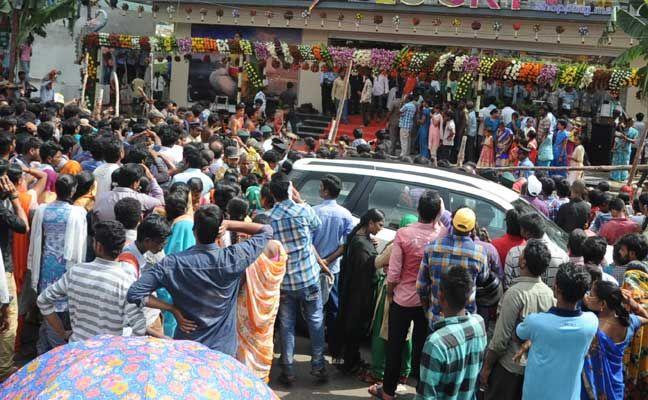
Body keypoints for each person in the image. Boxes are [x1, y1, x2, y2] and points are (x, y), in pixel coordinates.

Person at [127, 205, 272, 354]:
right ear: (219, 233)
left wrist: (172, 309)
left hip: (187, 347)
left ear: (194, 231)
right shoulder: (233, 258)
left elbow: (134, 294)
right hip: (222, 348)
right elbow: (266, 230)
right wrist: (228, 224)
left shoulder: (172, 263)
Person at [368, 190, 448, 399]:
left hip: (402, 299)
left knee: (394, 347)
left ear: (418, 210)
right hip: (427, 301)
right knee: (423, 349)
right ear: (438, 212)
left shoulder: (404, 234)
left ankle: (387, 392)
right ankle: (421, 392)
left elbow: (393, 273)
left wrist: (391, 293)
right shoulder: (442, 234)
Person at [37, 221, 146, 342]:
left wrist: (62, 332)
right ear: (123, 246)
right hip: (109, 357)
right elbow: (139, 326)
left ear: (98, 246)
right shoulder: (126, 281)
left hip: (77, 351)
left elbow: (43, 300)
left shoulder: (75, 272)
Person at [267, 173, 329, 384]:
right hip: (309, 278)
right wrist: (299, 199)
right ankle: (318, 366)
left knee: (287, 325)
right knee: (316, 321)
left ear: (272, 195)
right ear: (289, 190)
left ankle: (288, 370)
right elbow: (317, 225)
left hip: (284, 282)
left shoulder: (270, 217)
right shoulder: (303, 210)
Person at [480, 239, 555, 400]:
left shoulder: (515, 294)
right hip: (533, 369)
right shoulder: (549, 294)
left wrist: (486, 367)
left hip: (509, 369)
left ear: (523, 262)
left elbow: (500, 340)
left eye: (521, 255)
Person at [516, 262, 597, 400]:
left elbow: (520, 332)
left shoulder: (535, 322)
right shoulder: (591, 322)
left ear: (556, 287)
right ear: (584, 294)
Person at [27, 175, 87, 354]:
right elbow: (81, 246)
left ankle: (42, 349)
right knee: (58, 313)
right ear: (73, 190)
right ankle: (54, 352)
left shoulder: (43, 210)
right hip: (65, 267)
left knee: (47, 307)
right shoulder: (77, 212)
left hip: (45, 265)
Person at [416, 266, 487, 400]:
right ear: (468, 298)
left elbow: (425, 396)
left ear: (441, 296)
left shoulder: (436, 343)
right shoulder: (479, 324)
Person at [236, 213, 287, 383]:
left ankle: (247, 380)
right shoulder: (279, 248)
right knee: (264, 338)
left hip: (248, 304)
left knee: (246, 342)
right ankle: (261, 378)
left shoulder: (251, 250)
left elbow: (242, 276)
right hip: (270, 302)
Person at [417, 207, 489, 326]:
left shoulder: (432, 248)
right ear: (472, 228)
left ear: (452, 223)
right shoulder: (480, 253)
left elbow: (421, 287)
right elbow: (483, 279)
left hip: (437, 319)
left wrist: (427, 311)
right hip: (466, 321)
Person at [334, 209, 385, 374]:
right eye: (379, 225)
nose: (381, 229)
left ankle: (352, 360)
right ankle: (350, 363)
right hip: (359, 294)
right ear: (370, 223)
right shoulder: (361, 245)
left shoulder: (361, 239)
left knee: (353, 328)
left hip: (354, 293)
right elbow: (366, 271)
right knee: (355, 329)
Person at [582, 280, 648, 400]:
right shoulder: (629, 323)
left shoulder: (591, 326)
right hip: (616, 388)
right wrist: (631, 302)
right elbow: (645, 317)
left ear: (602, 304)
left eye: (590, 294)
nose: (587, 296)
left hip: (592, 391)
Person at [311, 174, 353, 358]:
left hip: (313, 268)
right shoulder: (345, 215)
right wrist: (328, 261)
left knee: (313, 308)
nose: (319, 189)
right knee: (333, 309)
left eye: (320, 186)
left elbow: (308, 242)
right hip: (332, 269)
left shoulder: (314, 212)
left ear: (326, 191)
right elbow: (346, 244)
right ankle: (331, 345)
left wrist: (321, 260)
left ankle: (315, 345)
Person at [118, 214, 171, 338]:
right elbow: (131, 302)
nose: (162, 247)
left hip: (151, 317)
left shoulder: (143, 254)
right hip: (144, 325)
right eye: (161, 243)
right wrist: (155, 333)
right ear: (147, 241)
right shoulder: (128, 264)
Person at [0, 172, 29, 381]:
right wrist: (14, 197)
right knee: (8, 320)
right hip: (3, 269)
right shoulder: (3, 208)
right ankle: (4, 370)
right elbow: (23, 226)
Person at [504, 212, 569, 289]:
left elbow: (507, 284)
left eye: (521, 229)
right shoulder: (562, 255)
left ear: (527, 233)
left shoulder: (514, 253)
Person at [93, 163, 164, 221]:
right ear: (135, 183)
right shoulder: (141, 198)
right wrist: (151, 178)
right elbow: (161, 203)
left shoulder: (101, 197)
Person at [610, 116, 638, 182]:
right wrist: (619, 136)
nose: (632, 123)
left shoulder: (635, 131)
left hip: (626, 149)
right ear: (627, 122)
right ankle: (614, 176)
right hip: (618, 148)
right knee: (616, 162)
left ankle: (623, 177)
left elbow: (634, 141)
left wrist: (626, 138)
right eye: (630, 122)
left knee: (625, 162)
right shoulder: (621, 128)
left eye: (633, 122)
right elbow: (615, 135)